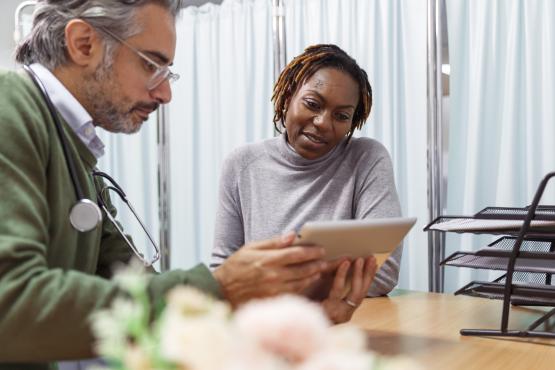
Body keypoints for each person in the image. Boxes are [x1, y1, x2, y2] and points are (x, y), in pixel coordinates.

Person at [0, 1, 330, 368]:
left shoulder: (73, 148)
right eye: (152, 65)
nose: (164, 94)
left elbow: (133, 285)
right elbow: (10, 305)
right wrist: (221, 288)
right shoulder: (9, 108)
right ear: (83, 44)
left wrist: (267, 301)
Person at [211, 44, 403, 323]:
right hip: (262, 328)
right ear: (288, 96)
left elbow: (383, 273)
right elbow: (223, 275)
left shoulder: (367, 159)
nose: (324, 123)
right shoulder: (241, 164)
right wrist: (333, 281)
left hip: (343, 325)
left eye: (342, 116)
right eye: (313, 104)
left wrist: (270, 282)